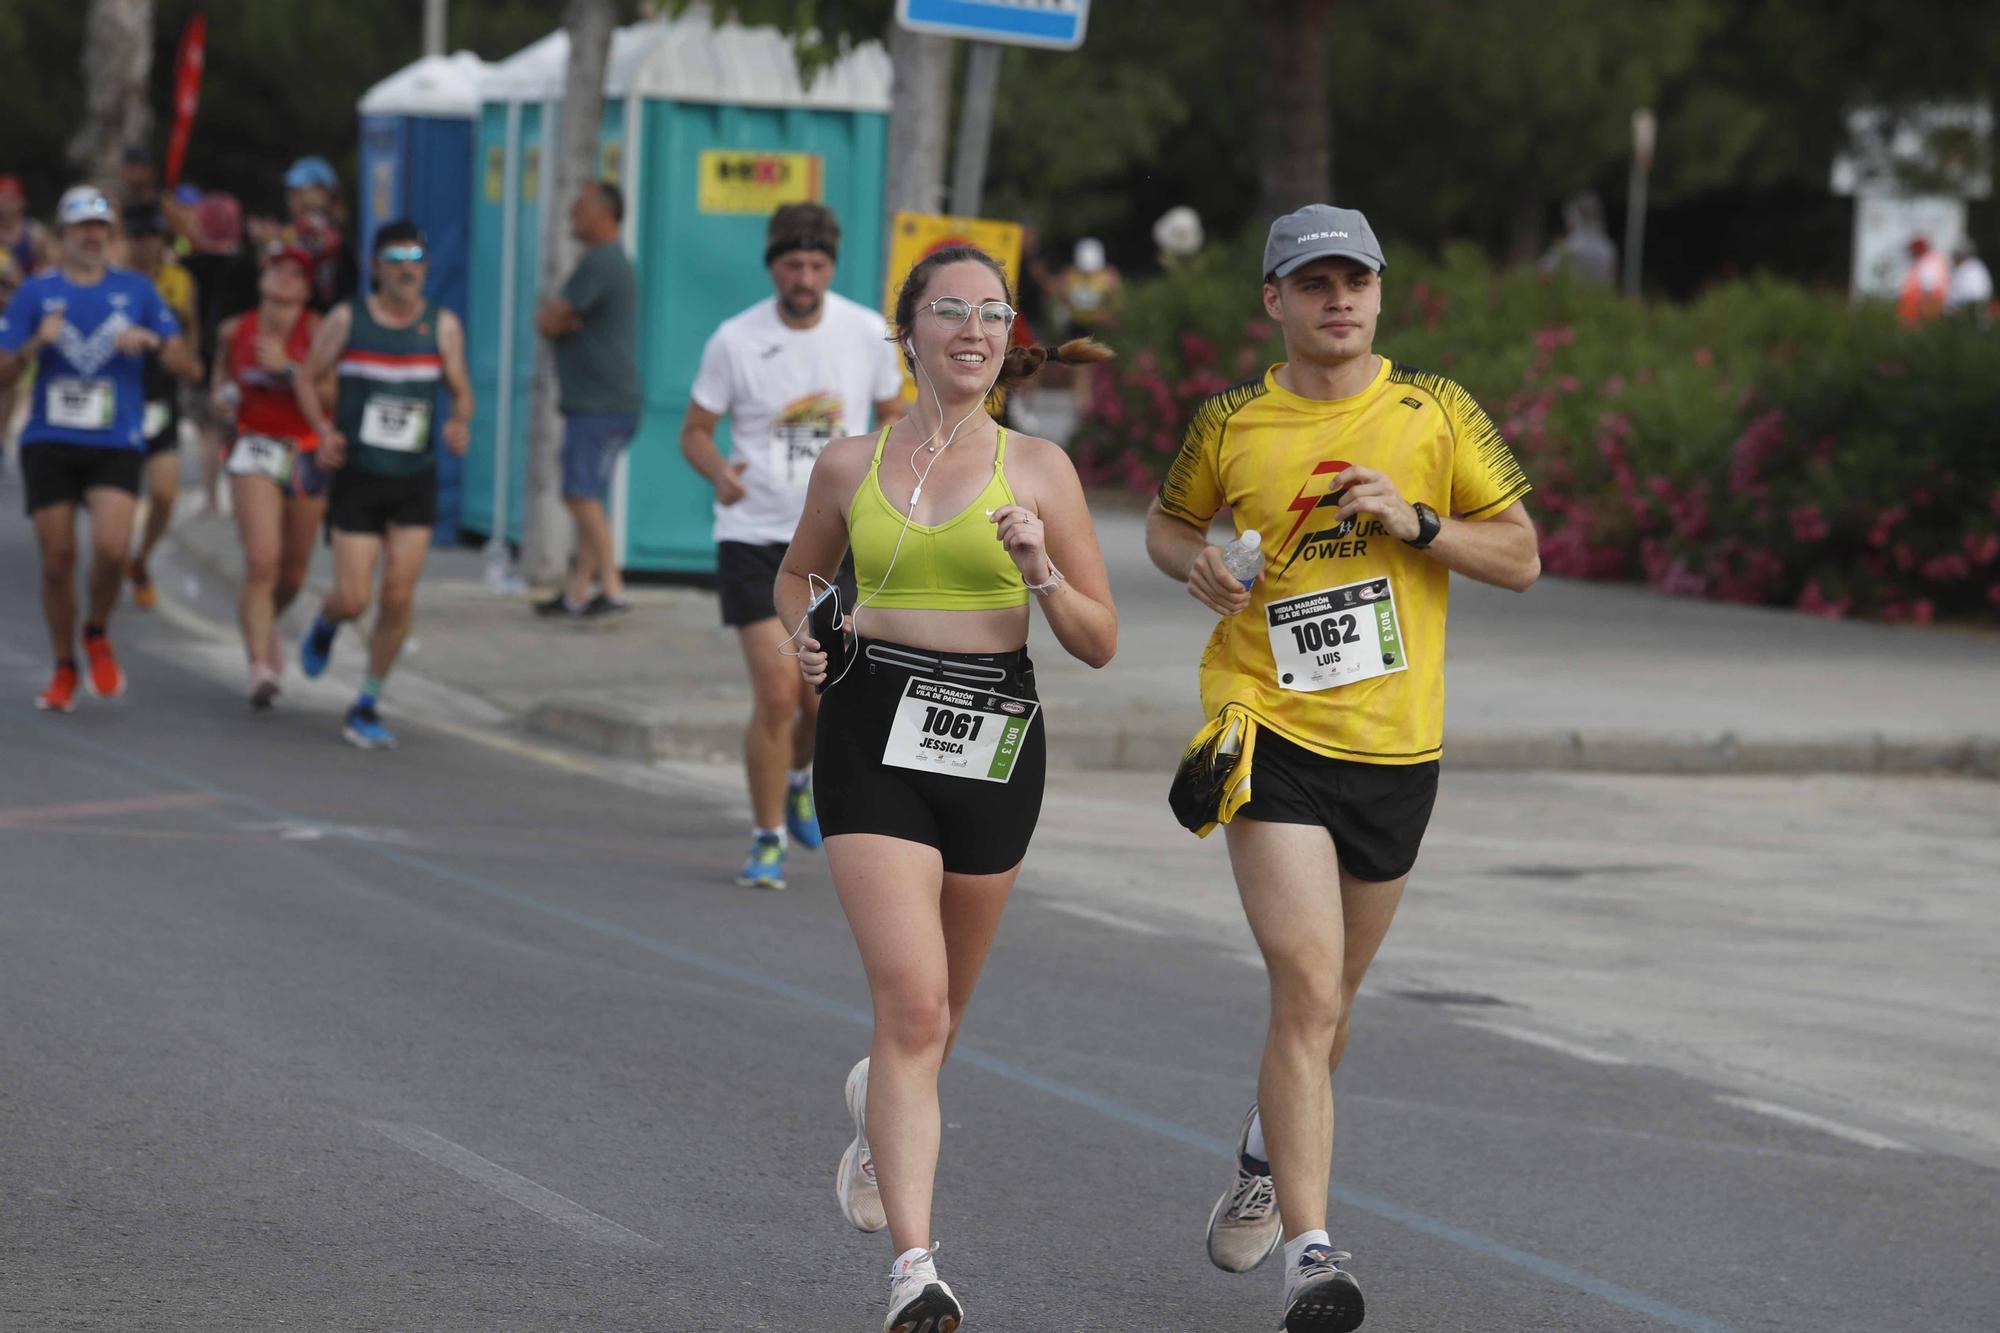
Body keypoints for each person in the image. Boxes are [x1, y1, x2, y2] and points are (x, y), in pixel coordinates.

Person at [1145, 205, 1539, 1333]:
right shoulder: (1230, 420)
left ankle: (1267, 1150)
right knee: (1306, 984)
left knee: (1328, 1005)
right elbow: (1169, 528)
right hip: (1262, 724)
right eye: (1312, 283)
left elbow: (1520, 554)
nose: (1338, 301)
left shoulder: (1433, 411)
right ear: (1272, 299)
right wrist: (1201, 567)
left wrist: (1416, 521)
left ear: (1378, 291)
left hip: (1394, 747)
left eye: (1354, 281)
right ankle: (1312, 1255)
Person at [775, 244, 1117, 1332]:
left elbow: (1099, 641)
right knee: (912, 1004)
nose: (972, 329)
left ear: (1009, 336)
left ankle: (879, 1107)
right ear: (907, 329)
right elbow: (799, 574)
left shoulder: (1042, 471)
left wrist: (1041, 570)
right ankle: (915, 1272)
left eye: (991, 312)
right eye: (948, 310)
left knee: (941, 1016)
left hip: (992, 737)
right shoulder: (847, 464)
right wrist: (805, 634)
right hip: (871, 725)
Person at [681, 202, 906, 889]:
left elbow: (896, 413)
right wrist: (719, 472)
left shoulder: (866, 333)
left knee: (820, 699)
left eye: (816, 265)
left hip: (836, 540)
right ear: (773, 266)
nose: (804, 277)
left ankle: (802, 777)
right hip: (754, 538)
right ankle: (766, 835)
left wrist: (888, 478)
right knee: (778, 691)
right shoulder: (734, 339)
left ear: (831, 267)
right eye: (792, 264)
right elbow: (695, 429)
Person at [0, 185, 197, 711]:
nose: (92, 235)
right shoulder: (36, 293)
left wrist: (153, 342)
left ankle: (97, 629)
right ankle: (64, 665)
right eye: (82, 226)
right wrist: (35, 343)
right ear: (62, 234)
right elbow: (3, 373)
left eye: (100, 227)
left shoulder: (138, 292)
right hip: (50, 440)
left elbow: (187, 363)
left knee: (111, 549)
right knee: (59, 559)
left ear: (111, 234)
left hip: (115, 438)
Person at [293, 221, 473, 749]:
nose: (406, 267)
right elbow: (306, 377)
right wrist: (322, 432)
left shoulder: (443, 327)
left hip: (414, 478)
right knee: (353, 599)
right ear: (376, 267)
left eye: (415, 257)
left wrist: (460, 422)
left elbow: (461, 391)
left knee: (398, 593)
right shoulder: (349, 319)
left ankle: (366, 701)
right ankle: (327, 624)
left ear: (426, 267)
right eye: (394, 258)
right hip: (358, 475)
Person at [213, 244, 324, 708]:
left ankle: (264, 623)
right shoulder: (235, 330)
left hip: (305, 450)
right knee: (262, 561)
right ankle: (259, 665)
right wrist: (221, 400)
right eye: (274, 267)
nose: (282, 276)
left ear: (307, 286)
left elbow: (334, 393)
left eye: (294, 271)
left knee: (293, 575)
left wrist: (290, 369)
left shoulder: (319, 331)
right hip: (254, 444)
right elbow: (220, 381)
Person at [533, 181, 642, 618]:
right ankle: (579, 591)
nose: (570, 215)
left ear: (604, 213)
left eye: (578, 206)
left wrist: (560, 319)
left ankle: (612, 587)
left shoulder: (600, 261)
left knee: (579, 494)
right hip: (606, 401)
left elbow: (549, 319)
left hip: (600, 403)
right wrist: (563, 320)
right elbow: (559, 319)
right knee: (590, 495)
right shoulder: (610, 261)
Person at [121, 204, 200, 610]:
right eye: (136, 237)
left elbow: (190, 336)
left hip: (159, 395)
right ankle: (112, 554)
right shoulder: (113, 279)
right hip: (118, 397)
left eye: (152, 237)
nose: (145, 246)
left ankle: (141, 559)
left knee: (164, 494)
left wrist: (189, 363)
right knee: (118, 495)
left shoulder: (178, 281)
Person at [183, 192, 262, 514]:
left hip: (199, 356)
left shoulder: (189, 266)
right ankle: (237, 495)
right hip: (239, 357)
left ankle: (211, 498)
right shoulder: (248, 266)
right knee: (234, 428)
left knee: (207, 432)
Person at [1537, 192, 1617, 286]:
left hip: (1570, 297)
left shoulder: (1569, 246)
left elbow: (1544, 273)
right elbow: (1610, 281)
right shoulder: (1608, 248)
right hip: (1597, 298)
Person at [1897, 235, 1951, 327]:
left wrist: (1924, 315)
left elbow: (1928, 289)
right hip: (1920, 312)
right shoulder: (1931, 260)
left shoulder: (1927, 263)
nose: (1911, 252)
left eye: (1912, 249)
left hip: (1919, 314)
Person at [1945, 238, 1992, 319]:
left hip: (1967, 313)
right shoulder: (1977, 265)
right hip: (1977, 311)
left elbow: (1961, 296)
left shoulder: (1965, 269)